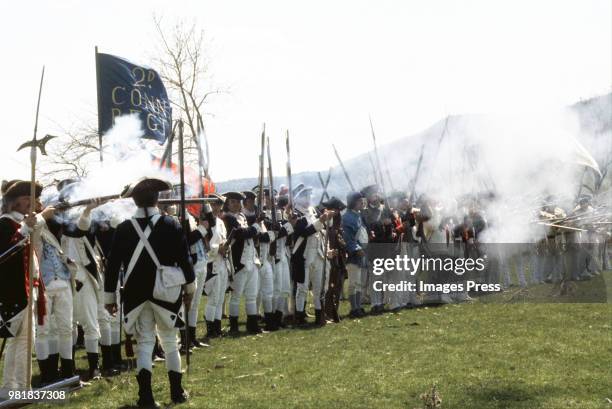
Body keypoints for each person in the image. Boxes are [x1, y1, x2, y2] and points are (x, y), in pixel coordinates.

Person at [104, 177, 195, 407]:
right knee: (170, 342)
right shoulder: (171, 224)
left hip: (135, 293)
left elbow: (112, 266)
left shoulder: (124, 228)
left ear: (134, 200)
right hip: (166, 292)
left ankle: (145, 397)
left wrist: (109, 298)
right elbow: (184, 260)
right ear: (157, 198)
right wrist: (189, 287)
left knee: (144, 343)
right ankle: (177, 393)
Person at [0, 180, 45, 391]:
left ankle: (15, 386)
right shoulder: (4, 224)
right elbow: (5, 254)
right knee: (21, 341)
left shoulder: (21, 224)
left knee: (23, 340)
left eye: (31, 198)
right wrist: (25, 228)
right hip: (12, 291)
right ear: (14, 202)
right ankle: (17, 387)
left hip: (26, 289)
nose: (31, 202)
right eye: (26, 198)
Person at [290, 186, 334, 326]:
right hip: (303, 254)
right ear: (298, 198)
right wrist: (321, 221)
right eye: (305, 195)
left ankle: (319, 315)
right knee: (302, 288)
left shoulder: (313, 210)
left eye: (309, 195)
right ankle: (299, 317)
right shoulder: (294, 214)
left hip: (318, 253)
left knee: (318, 287)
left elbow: (325, 227)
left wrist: (328, 218)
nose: (308, 198)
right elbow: (303, 232)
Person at [223, 191, 264, 335]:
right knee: (236, 295)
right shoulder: (227, 217)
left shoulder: (242, 216)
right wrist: (255, 227)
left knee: (252, 295)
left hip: (251, 259)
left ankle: (252, 324)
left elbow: (250, 233)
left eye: (238, 202)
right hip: (238, 261)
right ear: (227, 203)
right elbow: (240, 234)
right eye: (233, 201)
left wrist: (255, 228)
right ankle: (233, 326)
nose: (236, 204)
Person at [202, 193, 229, 339]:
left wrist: (225, 248)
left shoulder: (220, 222)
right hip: (212, 263)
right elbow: (204, 243)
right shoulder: (205, 221)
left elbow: (223, 240)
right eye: (214, 203)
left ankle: (217, 328)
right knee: (213, 298)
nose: (216, 206)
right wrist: (217, 249)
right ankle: (210, 329)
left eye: (218, 203)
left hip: (222, 262)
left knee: (219, 298)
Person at [321, 197, 347, 323]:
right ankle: (327, 313)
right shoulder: (326, 225)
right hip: (329, 259)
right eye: (336, 210)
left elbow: (341, 241)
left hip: (339, 259)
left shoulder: (337, 223)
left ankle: (334, 312)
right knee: (329, 288)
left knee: (337, 287)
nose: (338, 213)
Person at [342, 191, 368, 318]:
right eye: (359, 201)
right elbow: (347, 238)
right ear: (353, 202)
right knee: (353, 283)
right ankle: (354, 308)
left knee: (358, 283)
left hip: (361, 252)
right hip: (353, 254)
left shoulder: (357, 215)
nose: (361, 203)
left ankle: (358, 306)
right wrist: (356, 249)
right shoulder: (347, 217)